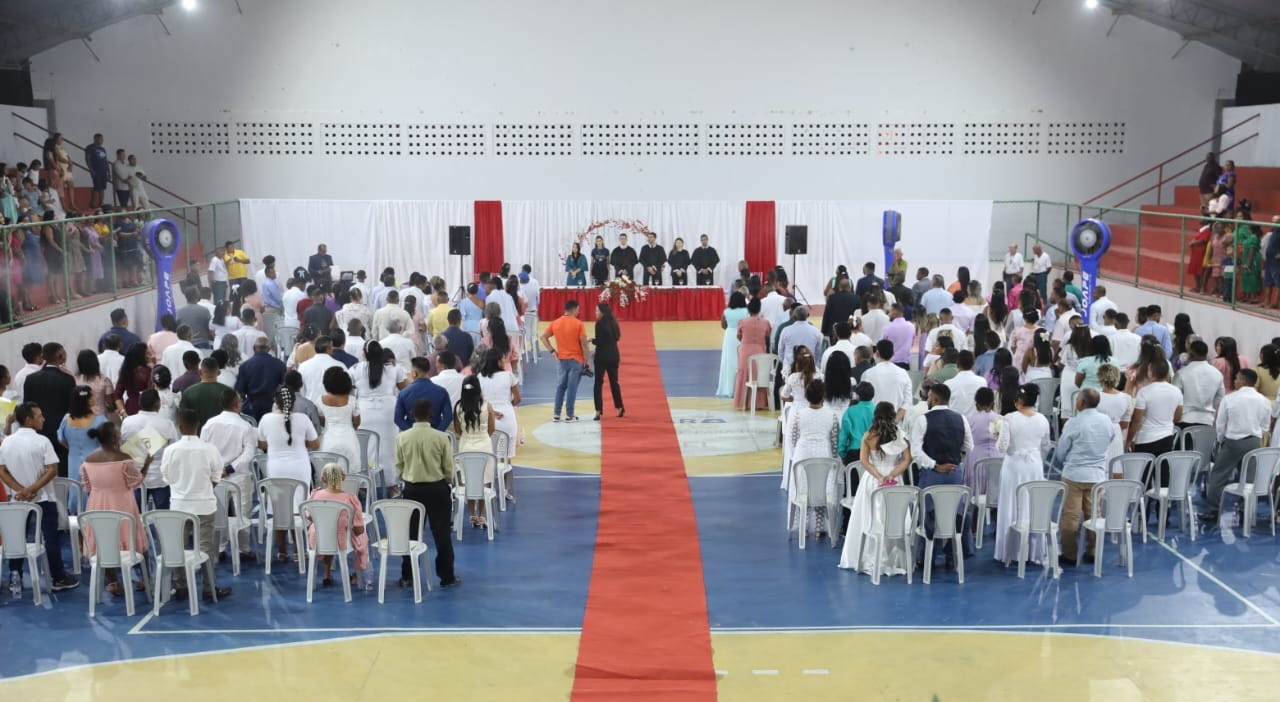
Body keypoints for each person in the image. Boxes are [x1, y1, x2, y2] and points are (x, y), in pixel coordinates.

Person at [0, 402, 80, 594]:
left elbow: (2, 470)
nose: (43, 419)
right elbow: (53, 470)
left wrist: (21, 490)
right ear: (29, 419)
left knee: (17, 538)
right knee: (50, 537)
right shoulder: (42, 441)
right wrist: (33, 488)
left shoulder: (7, 442)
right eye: (39, 415)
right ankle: (58, 577)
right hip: (44, 497)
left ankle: (15, 576)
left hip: (17, 499)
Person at [161, 409, 232, 601]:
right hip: (204, 506)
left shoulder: (170, 450)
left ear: (180, 426)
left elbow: (166, 477)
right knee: (206, 549)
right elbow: (216, 477)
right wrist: (203, 489)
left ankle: (181, 586)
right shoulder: (209, 449)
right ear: (198, 426)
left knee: (178, 547)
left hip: (178, 506)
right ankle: (209, 589)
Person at [838, 401, 912, 574]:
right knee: (892, 518)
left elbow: (864, 461)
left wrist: (879, 476)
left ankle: (868, 555)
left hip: (873, 480)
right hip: (894, 480)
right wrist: (893, 475)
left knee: (869, 517)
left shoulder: (869, 436)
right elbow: (908, 459)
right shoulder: (900, 435)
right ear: (893, 415)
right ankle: (892, 557)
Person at [395, 399, 460, 588]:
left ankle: (408, 576)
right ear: (432, 416)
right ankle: (447, 576)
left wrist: (407, 477)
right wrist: (446, 481)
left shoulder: (402, 437)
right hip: (437, 488)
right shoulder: (441, 437)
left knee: (411, 534)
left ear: (413, 415)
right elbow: (448, 467)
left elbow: (398, 466)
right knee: (442, 534)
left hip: (412, 489)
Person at [79, 421, 150, 594]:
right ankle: (146, 577)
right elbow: (135, 481)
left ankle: (112, 581)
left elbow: (86, 486)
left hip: (96, 504)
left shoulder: (88, 460)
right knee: (135, 538)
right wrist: (147, 464)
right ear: (114, 437)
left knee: (105, 542)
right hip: (122, 503)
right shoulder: (123, 458)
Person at [909, 384, 975, 567]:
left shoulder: (923, 420)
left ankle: (925, 557)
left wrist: (935, 465)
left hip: (932, 475)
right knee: (953, 513)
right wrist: (954, 459)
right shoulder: (961, 418)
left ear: (935, 399)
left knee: (928, 514)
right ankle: (953, 554)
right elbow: (969, 447)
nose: (928, 399)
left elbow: (915, 451)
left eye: (929, 397)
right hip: (955, 473)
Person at [257, 387, 320, 562]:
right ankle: (299, 550)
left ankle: (283, 551)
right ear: (294, 401)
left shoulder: (266, 419)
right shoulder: (303, 419)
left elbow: (261, 445)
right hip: (300, 467)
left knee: (280, 508)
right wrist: (298, 442)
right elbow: (315, 443)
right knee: (300, 508)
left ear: (274, 400)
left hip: (277, 467)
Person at [1055, 389, 1115, 568]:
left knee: (1070, 516)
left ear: (1081, 403)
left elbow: (1061, 451)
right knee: (1094, 514)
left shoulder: (1074, 422)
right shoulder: (1106, 421)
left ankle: (1069, 554)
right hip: (1096, 475)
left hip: (1074, 474)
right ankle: (1093, 551)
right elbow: (1110, 439)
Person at [992, 384, 1050, 565]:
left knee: (1012, 503)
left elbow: (1002, 447)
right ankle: (1033, 551)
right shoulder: (1043, 420)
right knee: (1032, 503)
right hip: (1034, 466)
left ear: (1019, 400)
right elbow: (1046, 445)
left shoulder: (1009, 419)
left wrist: (997, 436)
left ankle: (1010, 550)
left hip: (1014, 466)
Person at [1203, 368, 1272, 522]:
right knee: (1249, 478)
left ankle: (1214, 510)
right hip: (1254, 442)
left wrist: (1220, 441)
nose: (1234, 381)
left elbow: (1220, 424)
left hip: (1233, 442)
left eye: (1236, 379)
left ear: (1243, 381)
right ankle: (1244, 510)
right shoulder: (1264, 400)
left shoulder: (1230, 399)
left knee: (1219, 475)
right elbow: (1265, 427)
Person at [199, 388, 257, 560]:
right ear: (237, 404)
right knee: (242, 514)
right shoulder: (245, 426)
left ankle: (220, 548)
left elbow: (203, 448)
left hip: (216, 477)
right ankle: (242, 549)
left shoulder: (209, 424)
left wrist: (217, 469)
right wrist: (230, 468)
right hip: (238, 477)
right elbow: (248, 454)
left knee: (218, 514)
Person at [786, 379, 840, 539]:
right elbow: (835, 442)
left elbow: (793, 439)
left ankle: (802, 525)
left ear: (806, 396)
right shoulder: (832, 416)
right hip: (824, 455)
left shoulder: (798, 415)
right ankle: (819, 528)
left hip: (802, 456)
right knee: (821, 490)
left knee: (803, 490)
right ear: (823, 396)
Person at [348, 340, 406, 488]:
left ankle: (365, 485)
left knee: (366, 449)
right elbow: (405, 390)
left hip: (365, 413)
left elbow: (347, 388)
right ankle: (392, 485)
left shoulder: (355, 369)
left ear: (364, 353)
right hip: (388, 413)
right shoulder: (394, 369)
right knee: (389, 450)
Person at [307, 463, 368, 587]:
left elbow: (309, 516)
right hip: (341, 541)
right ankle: (359, 574)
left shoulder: (315, 495)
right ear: (343, 477)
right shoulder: (350, 499)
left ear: (323, 478)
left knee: (326, 529)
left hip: (319, 540)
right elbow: (359, 528)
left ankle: (327, 573)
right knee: (362, 537)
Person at [1126, 359, 1183, 486]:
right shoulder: (1176, 391)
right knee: (1163, 476)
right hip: (1167, 437)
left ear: (1151, 373)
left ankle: (1142, 504)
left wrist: (1129, 439)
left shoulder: (1145, 392)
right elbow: (1178, 417)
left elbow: (1137, 420)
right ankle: (1162, 504)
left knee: (1143, 477)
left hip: (1145, 439)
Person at [24, 343, 76, 475]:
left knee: (41, 471)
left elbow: (26, 407)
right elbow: (72, 410)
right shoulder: (67, 379)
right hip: (61, 434)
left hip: (38, 433)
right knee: (64, 470)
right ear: (60, 356)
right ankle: (65, 495)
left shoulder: (30, 379)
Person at [452, 375, 497, 527]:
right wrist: (482, 436)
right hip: (484, 446)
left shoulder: (458, 407)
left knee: (468, 481)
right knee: (483, 482)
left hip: (465, 446)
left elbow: (457, 430)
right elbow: (492, 429)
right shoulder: (487, 406)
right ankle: (482, 515)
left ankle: (472, 514)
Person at [477, 349, 520, 495]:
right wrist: (507, 404)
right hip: (507, 419)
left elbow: (478, 401)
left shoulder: (479, 377)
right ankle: (504, 489)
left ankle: (487, 489)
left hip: (487, 419)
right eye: (502, 359)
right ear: (497, 361)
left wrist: (492, 412)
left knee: (487, 456)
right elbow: (518, 398)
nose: (504, 361)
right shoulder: (509, 376)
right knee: (505, 458)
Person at [541, 299, 589, 422]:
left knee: (561, 387)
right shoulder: (579, 324)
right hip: (576, 360)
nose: (578, 312)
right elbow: (584, 344)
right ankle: (569, 415)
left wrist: (552, 351)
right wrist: (587, 361)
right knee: (572, 388)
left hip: (561, 360)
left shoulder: (555, 323)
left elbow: (543, 337)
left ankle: (556, 414)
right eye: (578, 310)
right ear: (573, 309)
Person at [1174, 340, 1224, 428]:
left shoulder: (1182, 373)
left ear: (1190, 354)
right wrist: (1209, 405)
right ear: (1206, 353)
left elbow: (1175, 397)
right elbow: (1220, 397)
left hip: (1186, 418)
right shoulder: (1217, 373)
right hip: (1208, 420)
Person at [394, 357, 452, 432]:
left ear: (414, 373)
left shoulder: (404, 393)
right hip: (434, 437)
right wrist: (438, 432)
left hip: (411, 439)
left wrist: (410, 433)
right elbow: (448, 417)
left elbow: (398, 418)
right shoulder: (441, 392)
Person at [235, 336, 286, 422]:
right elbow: (283, 386)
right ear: (269, 348)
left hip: (252, 407)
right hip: (272, 406)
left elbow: (240, 390)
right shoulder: (279, 364)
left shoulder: (245, 365)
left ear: (254, 348)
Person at [734, 298, 772, 410]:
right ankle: (759, 403)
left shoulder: (742, 322)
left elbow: (739, 336)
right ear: (759, 309)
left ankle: (742, 402)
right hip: (760, 353)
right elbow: (768, 336)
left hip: (745, 353)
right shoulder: (766, 323)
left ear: (748, 309)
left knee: (743, 375)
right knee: (759, 376)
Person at [590, 302, 624, 420]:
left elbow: (600, 341)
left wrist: (591, 340)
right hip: (614, 356)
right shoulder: (614, 323)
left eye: (597, 311)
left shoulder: (599, 324)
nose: (595, 313)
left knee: (598, 384)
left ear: (602, 312)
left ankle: (598, 410)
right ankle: (619, 406)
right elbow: (613, 339)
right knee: (614, 382)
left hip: (602, 357)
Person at [1094, 364, 1133, 467]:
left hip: (1097, 434)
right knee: (1116, 468)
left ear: (1099, 378)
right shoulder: (1126, 398)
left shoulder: (1094, 397)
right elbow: (1125, 424)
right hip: (1116, 434)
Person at [863, 340, 914, 418]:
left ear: (877, 354)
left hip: (872, 423)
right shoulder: (903, 373)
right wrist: (893, 423)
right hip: (895, 425)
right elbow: (907, 402)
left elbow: (863, 401)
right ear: (893, 353)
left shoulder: (867, 374)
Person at [76, 348, 125, 420]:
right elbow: (111, 403)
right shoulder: (104, 380)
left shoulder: (75, 380)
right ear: (96, 362)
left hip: (81, 417)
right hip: (100, 417)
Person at [945, 350, 987, 418]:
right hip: (976, 424)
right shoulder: (982, 382)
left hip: (956, 424)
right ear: (973, 364)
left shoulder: (948, 384)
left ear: (957, 364)